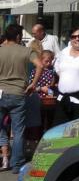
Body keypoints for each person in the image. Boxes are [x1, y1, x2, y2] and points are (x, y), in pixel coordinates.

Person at [0, 24, 43, 173]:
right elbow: (40, 65)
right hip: (18, 93)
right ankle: (16, 164)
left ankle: (5, 152)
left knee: (1, 127)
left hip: (0, 92)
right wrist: (33, 84)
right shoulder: (26, 50)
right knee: (18, 131)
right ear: (18, 36)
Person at [34, 49, 58, 133]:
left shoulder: (52, 72)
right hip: (39, 100)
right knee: (40, 120)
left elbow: (53, 85)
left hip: (50, 100)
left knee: (50, 120)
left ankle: (49, 134)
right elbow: (31, 86)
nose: (49, 63)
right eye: (46, 61)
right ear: (41, 60)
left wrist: (53, 87)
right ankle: (39, 136)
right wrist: (41, 88)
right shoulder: (35, 71)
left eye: (50, 61)